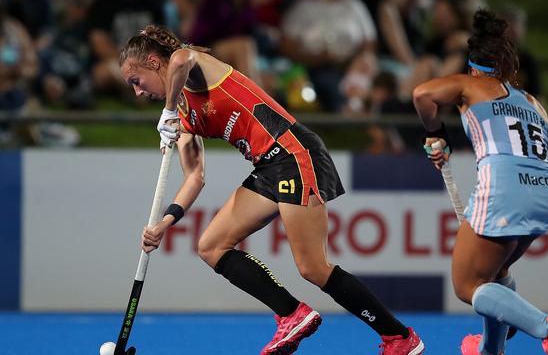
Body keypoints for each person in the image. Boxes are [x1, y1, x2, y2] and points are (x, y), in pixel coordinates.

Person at [118, 24, 424, 355]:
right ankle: (292, 313)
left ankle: (399, 338)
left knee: (313, 267)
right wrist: (165, 223)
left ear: (153, 61)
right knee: (211, 246)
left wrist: (165, 112)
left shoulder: (195, 71)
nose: (138, 92)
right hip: (267, 168)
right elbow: (195, 176)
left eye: (137, 81)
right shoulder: (181, 115)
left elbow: (181, 58)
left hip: (293, 153)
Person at [413, 10, 548, 355]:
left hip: (505, 190)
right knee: (496, 271)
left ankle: (547, 327)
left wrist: (436, 133)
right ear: (507, 69)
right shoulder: (534, 103)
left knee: (467, 285)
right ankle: (492, 350)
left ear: (473, 66)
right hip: (545, 192)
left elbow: (422, 95)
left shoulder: (470, 83)